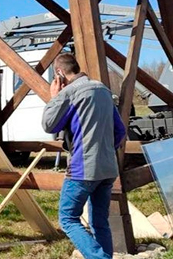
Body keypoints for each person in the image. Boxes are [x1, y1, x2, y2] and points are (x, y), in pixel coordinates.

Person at [41, 53, 126, 259]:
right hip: (107, 169)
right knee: (99, 222)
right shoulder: (103, 90)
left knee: (68, 219)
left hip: (82, 169)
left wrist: (54, 97)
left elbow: (48, 124)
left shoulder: (70, 93)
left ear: (59, 73)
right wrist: (103, 149)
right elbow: (120, 131)